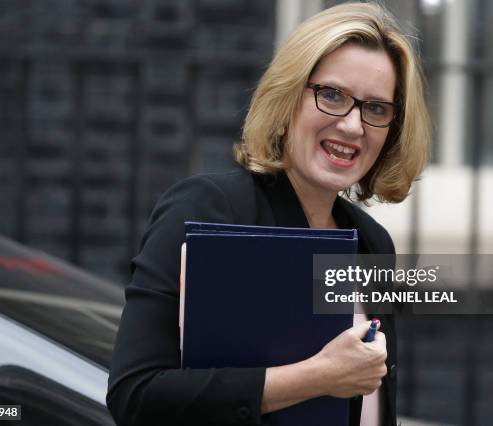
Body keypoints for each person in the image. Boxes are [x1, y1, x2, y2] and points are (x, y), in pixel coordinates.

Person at [107, 2, 431, 425]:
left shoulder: (372, 242)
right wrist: (319, 377)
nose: (353, 126)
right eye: (332, 95)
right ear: (288, 97)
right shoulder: (208, 210)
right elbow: (137, 396)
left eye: (375, 108)